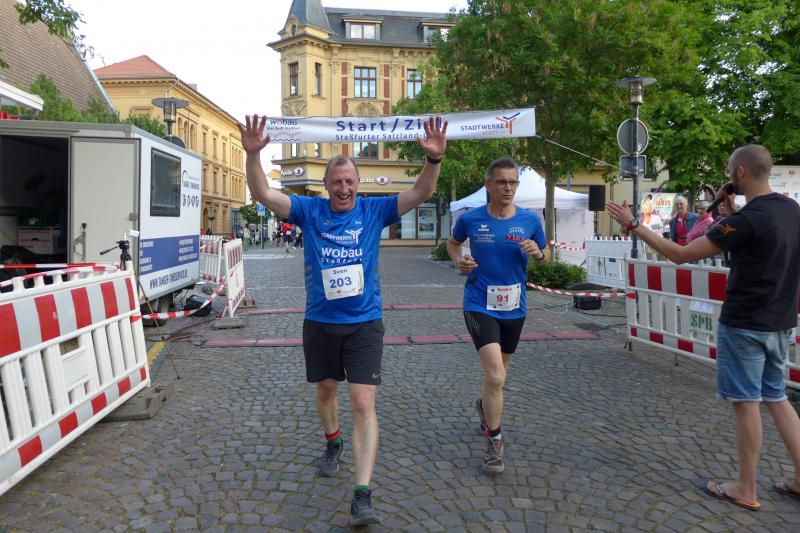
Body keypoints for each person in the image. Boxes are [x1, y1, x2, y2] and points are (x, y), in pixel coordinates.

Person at [238, 113, 447, 526]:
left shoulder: (374, 210)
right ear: (326, 185)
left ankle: (362, 493)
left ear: (358, 182)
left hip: (365, 321)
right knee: (327, 389)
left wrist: (434, 159)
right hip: (320, 320)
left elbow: (421, 191)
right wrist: (253, 155)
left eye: (349, 181)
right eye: (337, 182)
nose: (344, 188)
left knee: (363, 401)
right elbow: (263, 192)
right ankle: (333, 440)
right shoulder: (309, 210)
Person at [607, 144, 800, 512]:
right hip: (780, 321)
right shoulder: (789, 210)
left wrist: (634, 225)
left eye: (729, 170)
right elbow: (761, 239)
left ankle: (745, 487)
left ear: (740, 173)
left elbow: (679, 254)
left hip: (745, 323)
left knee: (747, 404)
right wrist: (733, 212)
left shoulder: (742, 222)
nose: (726, 176)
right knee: (777, 398)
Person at [446, 157, 548, 474]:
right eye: (501, 181)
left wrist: (539, 254)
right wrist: (459, 261)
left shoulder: (530, 220)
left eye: (512, 182)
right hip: (479, 303)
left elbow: (546, 256)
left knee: (499, 376)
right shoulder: (471, 218)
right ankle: (495, 439)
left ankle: (485, 407)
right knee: (496, 376)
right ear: (488, 184)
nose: (508, 187)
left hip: (514, 307)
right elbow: (452, 244)